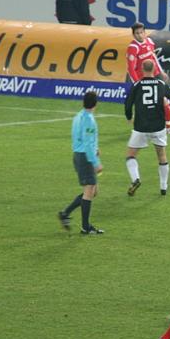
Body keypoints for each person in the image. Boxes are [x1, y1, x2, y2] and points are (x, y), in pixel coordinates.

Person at [124, 60, 170, 196]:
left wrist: (129, 117)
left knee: (131, 155)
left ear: (142, 69)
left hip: (140, 127)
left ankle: (135, 178)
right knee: (161, 155)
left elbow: (127, 103)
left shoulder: (137, 85)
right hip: (158, 126)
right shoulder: (161, 84)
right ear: (154, 69)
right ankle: (163, 187)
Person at [58, 91, 104, 235]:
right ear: (96, 103)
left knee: (93, 191)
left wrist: (95, 148)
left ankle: (65, 213)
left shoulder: (78, 116)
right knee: (89, 191)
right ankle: (85, 227)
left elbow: (80, 138)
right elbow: (88, 143)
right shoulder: (89, 120)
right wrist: (96, 162)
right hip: (85, 157)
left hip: (79, 154)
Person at [126, 22, 170, 132]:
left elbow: (154, 58)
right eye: (137, 33)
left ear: (144, 32)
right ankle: (141, 125)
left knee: (164, 101)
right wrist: (137, 84)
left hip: (156, 75)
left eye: (141, 32)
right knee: (144, 104)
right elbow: (130, 68)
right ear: (133, 35)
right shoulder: (133, 48)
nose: (139, 35)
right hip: (142, 79)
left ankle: (168, 126)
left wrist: (162, 72)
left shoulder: (149, 42)